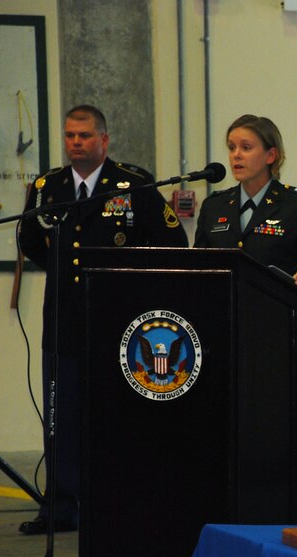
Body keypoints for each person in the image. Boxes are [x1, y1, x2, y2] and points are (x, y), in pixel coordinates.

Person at [17, 105, 187, 534]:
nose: (76, 143)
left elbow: (170, 240)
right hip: (64, 319)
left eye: (85, 136)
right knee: (61, 418)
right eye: (70, 136)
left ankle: (119, 502)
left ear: (104, 141)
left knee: (117, 417)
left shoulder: (133, 183)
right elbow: (31, 240)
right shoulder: (48, 186)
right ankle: (60, 507)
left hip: (119, 320)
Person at [193, 114, 297, 366]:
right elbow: (198, 269)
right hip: (223, 333)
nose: (236, 155)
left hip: (279, 333)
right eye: (231, 147)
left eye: (246, 148)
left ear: (271, 156)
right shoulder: (214, 206)